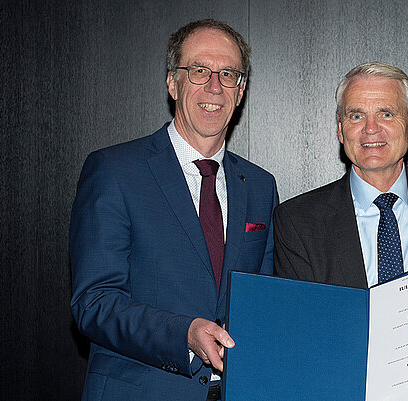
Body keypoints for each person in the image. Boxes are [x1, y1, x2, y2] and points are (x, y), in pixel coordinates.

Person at [69, 19, 277, 401]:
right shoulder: (114, 171)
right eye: (199, 71)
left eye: (228, 74)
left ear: (241, 89)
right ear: (172, 82)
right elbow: (94, 302)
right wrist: (184, 334)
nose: (214, 86)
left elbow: (264, 302)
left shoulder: (261, 186)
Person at [273, 61, 408, 289]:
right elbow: (299, 320)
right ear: (340, 129)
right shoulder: (298, 221)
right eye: (356, 116)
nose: (370, 128)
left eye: (386, 114)